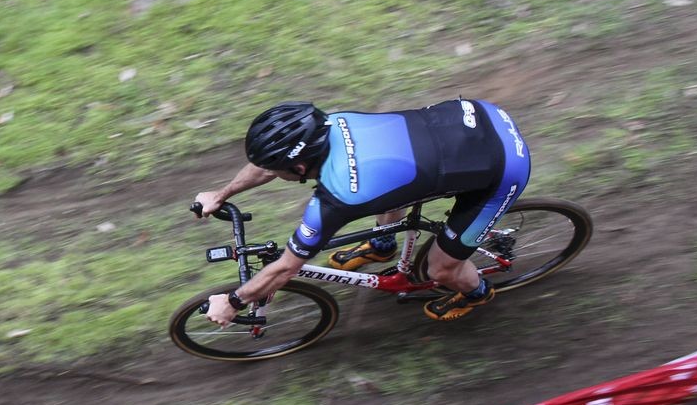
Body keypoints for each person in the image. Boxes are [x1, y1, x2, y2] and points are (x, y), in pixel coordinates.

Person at [193, 99, 530, 325]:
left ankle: (477, 292)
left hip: (502, 169)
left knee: (441, 269)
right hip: (476, 117)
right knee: (387, 188)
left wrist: (234, 302)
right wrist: (222, 194)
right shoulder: (332, 124)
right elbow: (269, 166)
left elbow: (285, 269)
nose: (269, 171)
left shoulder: (339, 195)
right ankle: (384, 246)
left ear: (298, 167)